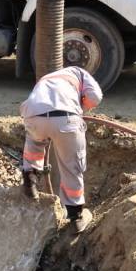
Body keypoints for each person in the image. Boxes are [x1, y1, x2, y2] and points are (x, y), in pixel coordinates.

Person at [20, 66, 103, 233]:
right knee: (71, 166)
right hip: (66, 120)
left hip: (33, 115)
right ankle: (76, 218)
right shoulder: (80, 73)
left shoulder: (47, 78)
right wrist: (81, 108)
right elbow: (95, 97)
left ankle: (30, 181)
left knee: (34, 145)